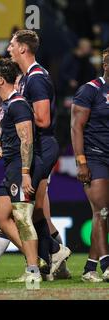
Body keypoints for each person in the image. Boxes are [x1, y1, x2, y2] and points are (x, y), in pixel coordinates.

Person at [0, 30, 72, 281]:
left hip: (40, 146)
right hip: (31, 145)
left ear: (22, 49)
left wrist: (16, 110)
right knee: (36, 208)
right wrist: (0, 125)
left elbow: (41, 119)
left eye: (11, 45)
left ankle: (45, 258)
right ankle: (52, 258)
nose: (8, 48)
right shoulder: (26, 80)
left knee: (22, 209)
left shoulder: (36, 79)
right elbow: (21, 121)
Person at [0, 58, 44, 286]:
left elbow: (26, 140)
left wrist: (26, 172)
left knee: (21, 217)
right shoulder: (6, 105)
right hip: (11, 165)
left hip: (21, 165)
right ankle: (35, 260)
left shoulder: (18, 104)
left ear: (0, 79)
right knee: (0, 215)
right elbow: (10, 139)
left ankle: (33, 269)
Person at [71, 47, 109, 283]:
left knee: (102, 214)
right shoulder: (91, 90)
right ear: (106, 65)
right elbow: (76, 127)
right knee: (102, 211)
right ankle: (107, 264)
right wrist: (81, 162)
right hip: (95, 157)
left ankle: (89, 268)